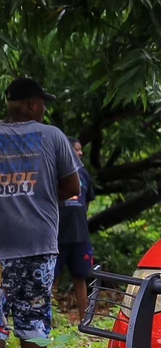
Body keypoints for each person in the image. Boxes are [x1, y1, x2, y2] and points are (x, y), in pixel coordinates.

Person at [0, 77, 80, 348]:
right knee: (33, 317)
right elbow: (72, 186)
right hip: (38, 242)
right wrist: (41, 195)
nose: (44, 108)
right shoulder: (53, 136)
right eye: (41, 102)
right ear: (32, 104)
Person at [56, 138, 95, 323]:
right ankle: (48, 320)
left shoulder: (84, 174)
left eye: (81, 150)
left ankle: (85, 320)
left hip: (80, 235)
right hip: (57, 235)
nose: (80, 153)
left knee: (81, 277)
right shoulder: (55, 172)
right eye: (76, 150)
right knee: (52, 279)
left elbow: (87, 202)